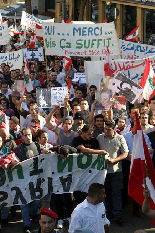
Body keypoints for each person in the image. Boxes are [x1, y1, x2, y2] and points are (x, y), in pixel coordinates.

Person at [97, 120, 128, 225]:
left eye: (109, 129)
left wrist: (114, 160)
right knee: (106, 194)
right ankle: (108, 214)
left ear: (113, 129)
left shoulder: (120, 138)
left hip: (116, 171)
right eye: (105, 129)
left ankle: (118, 216)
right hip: (103, 172)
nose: (106, 131)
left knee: (116, 193)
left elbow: (125, 153)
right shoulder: (100, 137)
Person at [14, 127, 41, 232]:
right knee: (23, 202)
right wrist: (15, 162)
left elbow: (44, 153)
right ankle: (26, 224)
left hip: (36, 178)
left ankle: (33, 213)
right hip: (23, 180)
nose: (28, 136)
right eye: (25, 135)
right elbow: (13, 160)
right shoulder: (17, 149)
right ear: (22, 136)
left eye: (29, 134)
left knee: (37, 200)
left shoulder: (37, 146)